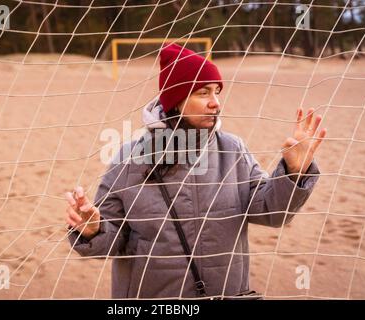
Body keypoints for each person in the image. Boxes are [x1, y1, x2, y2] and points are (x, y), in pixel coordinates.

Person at [64, 43, 327, 299]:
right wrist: (93, 230)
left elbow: (272, 213)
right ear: (176, 101)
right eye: (203, 93)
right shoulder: (130, 157)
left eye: (217, 92)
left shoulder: (232, 149)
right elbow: (112, 242)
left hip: (226, 292)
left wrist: (294, 172)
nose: (215, 103)